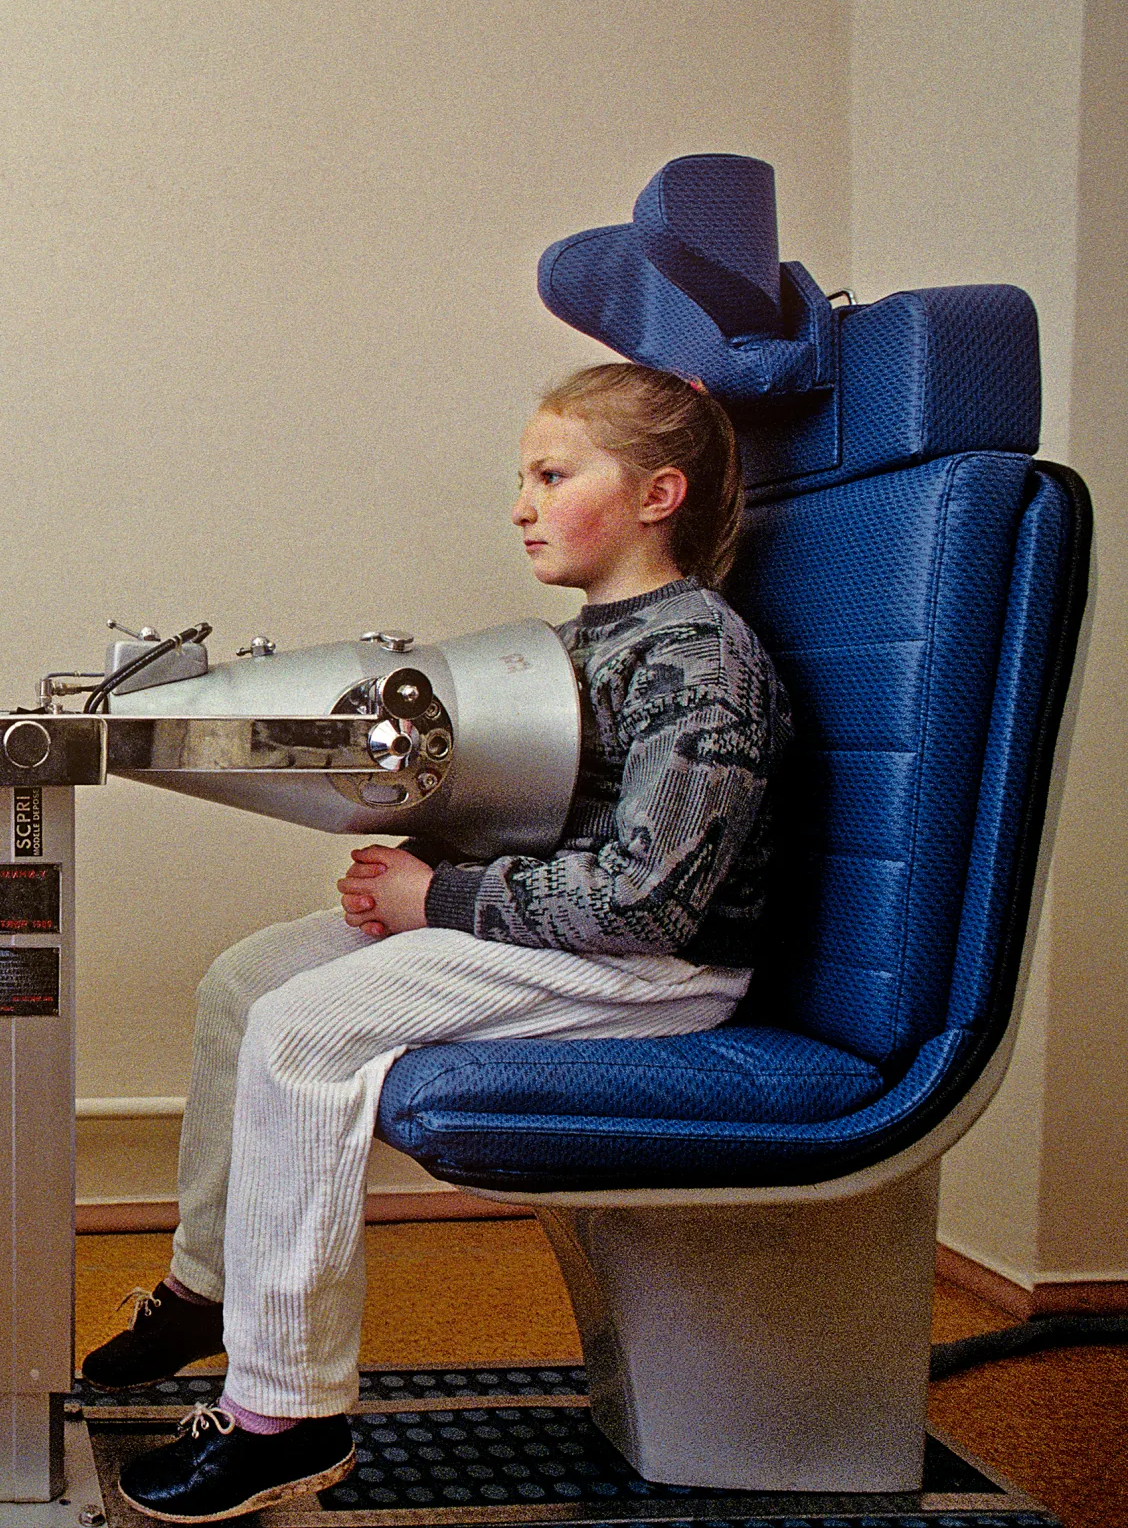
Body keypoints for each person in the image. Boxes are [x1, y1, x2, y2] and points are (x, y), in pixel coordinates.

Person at [93, 363, 792, 1520]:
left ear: (657, 493)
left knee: (300, 1031)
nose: (519, 503)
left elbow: (648, 904)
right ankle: (210, 1288)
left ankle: (286, 1415)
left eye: (552, 475)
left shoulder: (697, 660)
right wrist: (413, 856)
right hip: (565, 939)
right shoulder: (597, 638)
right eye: (521, 477)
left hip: (652, 976)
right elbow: (555, 814)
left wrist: (439, 898)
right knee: (246, 980)